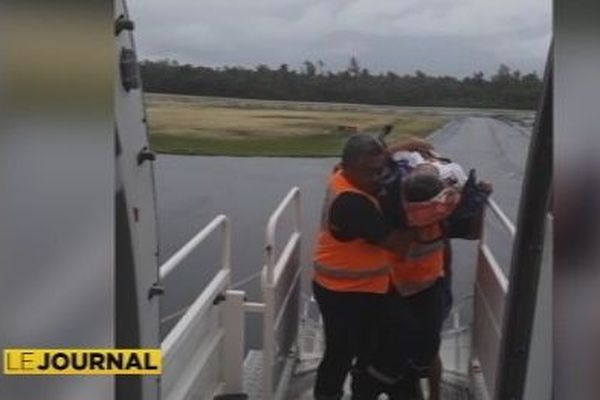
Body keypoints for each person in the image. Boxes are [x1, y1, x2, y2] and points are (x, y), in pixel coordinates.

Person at [312, 134, 432, 400]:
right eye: (371, 173)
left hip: (369, 284)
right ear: (350, 166)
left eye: (381, 171)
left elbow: (374, 160)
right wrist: (421, 216)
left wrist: (403, 146)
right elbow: (398, 246)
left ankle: (367, 382)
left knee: (403, 334)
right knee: (340, 353)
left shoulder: (343, 176)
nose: (378, 178)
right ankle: (353, 388)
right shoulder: (352, 203)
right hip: (343, 291)